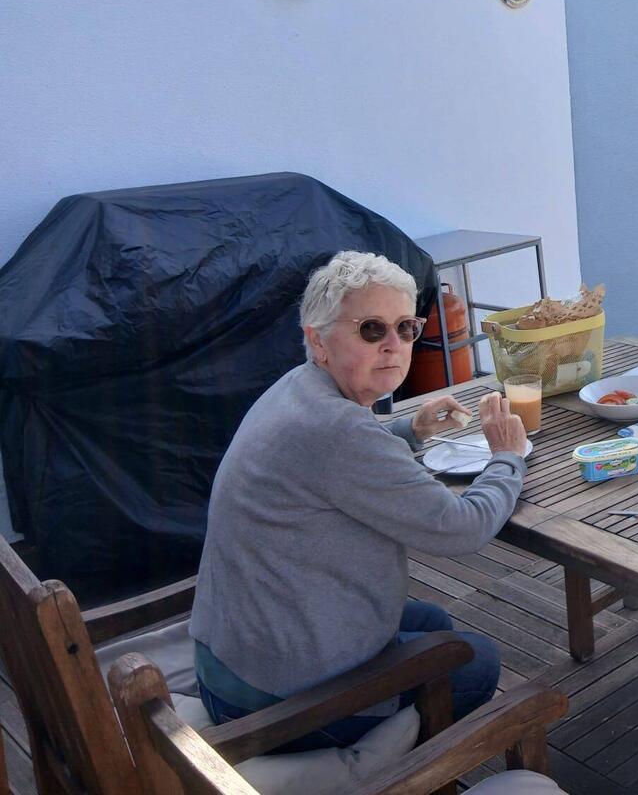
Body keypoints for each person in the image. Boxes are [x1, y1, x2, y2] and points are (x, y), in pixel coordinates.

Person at [190, 250, 530, 750]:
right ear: (318, 340)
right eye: (371, 329)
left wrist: (407, 429)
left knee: (433, 621)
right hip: (269, 700)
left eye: (406, 328)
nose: (394, 346)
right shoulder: (336, 430)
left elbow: (332, 460)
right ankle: (405, 771)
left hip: (235, 651)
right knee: (477, 661)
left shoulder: (297, 388)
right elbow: (462, 528)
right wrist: (507, 455)